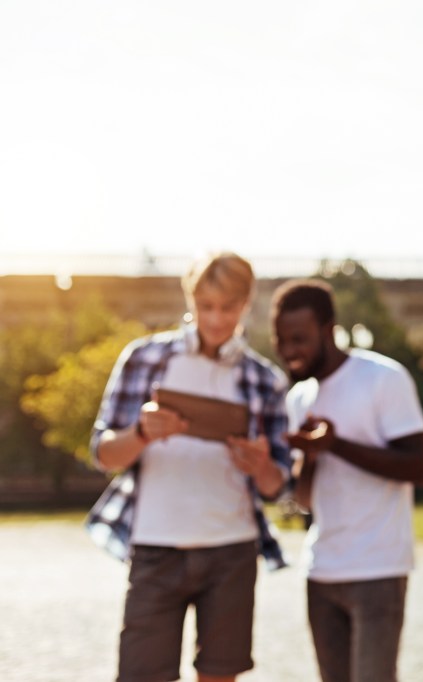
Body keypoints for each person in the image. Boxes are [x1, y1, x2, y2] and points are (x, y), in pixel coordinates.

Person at [86, 252, 291, 682]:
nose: (216, 319)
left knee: (220, 675)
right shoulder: (144, 358)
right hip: (156, 548)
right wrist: (141, 433)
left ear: (246, 304)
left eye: (228, 307)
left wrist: (259, 465)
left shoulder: (264, 379)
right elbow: (103, 454)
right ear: (191, 300)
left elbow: (277, 486)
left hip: (232, 552)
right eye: (206, 306)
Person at [270, 279, 423, 682]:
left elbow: (420, 467)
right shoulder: (299, 398)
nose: (289, 350)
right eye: (281, 340)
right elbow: (305, 500)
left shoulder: (382, 377)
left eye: (299, 338)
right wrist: (309, 456)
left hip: (378, 567)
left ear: (328, 330)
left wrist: (336, 444)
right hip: (321, 570)